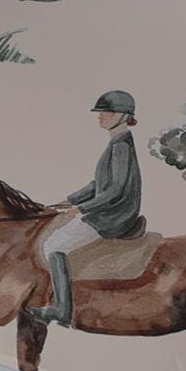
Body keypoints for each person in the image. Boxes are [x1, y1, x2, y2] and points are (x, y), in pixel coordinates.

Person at [46, 89, 148, 326]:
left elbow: (116, 190)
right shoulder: (116, 143)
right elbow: (99, 184)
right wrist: (71, 200)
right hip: (108, 210)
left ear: (123, 116)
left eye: (107, 112)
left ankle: (62, 310)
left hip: (115, 215)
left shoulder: (121, 146)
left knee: (53, 245)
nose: (100, 116)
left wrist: (82, 209)